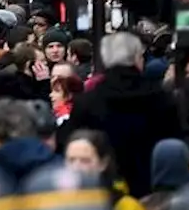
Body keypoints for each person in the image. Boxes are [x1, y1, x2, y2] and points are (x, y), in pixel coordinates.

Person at [62, 33, 181, 197]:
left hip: (103, 189)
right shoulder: (161, 98)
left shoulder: (88, 101)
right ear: (136, 59)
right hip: (152, 187)